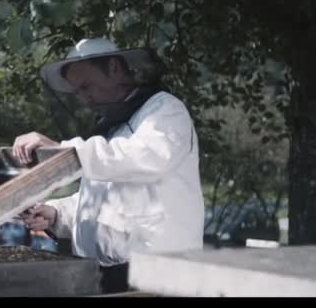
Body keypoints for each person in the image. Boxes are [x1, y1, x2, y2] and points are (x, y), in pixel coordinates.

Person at [14, 38, 205, 293]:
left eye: (86, 86)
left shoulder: (165, 110)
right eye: (77, 92)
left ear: (114, 68)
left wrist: (62, 150)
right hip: (109, 275)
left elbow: (141, 158)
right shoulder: (112, 129)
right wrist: (58, 213)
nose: (84, 98)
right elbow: (102, 199)